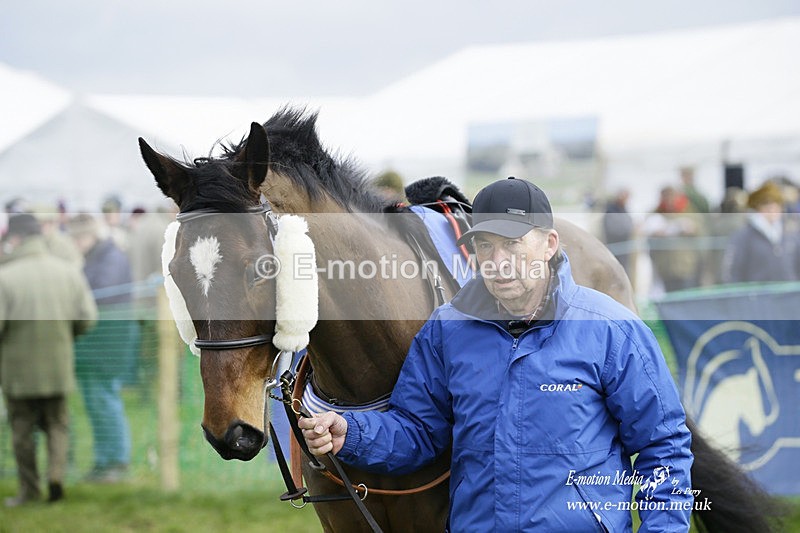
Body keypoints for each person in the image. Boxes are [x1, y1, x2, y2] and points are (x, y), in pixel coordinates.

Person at [300, 177, 694, 531]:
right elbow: (419, 432)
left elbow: (663, 446)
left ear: (549, 244)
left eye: (512, 243)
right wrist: (350, 433)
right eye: (485, 246)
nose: (498, 261)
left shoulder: (612, 328)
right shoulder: (446, 330)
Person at [0, 214, 97, 506]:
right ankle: (56, 476)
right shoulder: (68, 272)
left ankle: (29, 491)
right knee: (57, 425)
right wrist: (66, 336)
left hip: (17, 373)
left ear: (15, 239)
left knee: (22, 431)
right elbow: (87, 318)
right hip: (58, 365)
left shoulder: (5, 276)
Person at [67, 214, 138, 482]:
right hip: (95, 346)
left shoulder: (110, 257)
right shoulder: (99, 256)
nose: (76, 244)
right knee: (97, 403)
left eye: (78, 238)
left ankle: (115, 462)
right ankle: (103, 460)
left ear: (90, 235)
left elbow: (99, 293)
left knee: (105, 401)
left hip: (107, 346)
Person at [722, 181, 800, 283]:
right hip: (758, 295)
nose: (772, 209)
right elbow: (733, 272)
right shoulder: (744, 236)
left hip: (788, 295)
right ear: (757, 207)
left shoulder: (790, 234)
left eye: (776, 204)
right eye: (766, 204)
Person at [602, 188, 635, 279]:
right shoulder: (611, 210)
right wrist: (630, 229)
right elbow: (613, 229)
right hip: (615, 247)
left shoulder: (623, 209)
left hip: (624, 248)